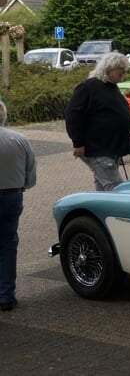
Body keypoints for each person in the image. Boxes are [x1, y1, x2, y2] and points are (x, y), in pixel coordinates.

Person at [65, 53, 130, 191]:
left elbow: (115, 114)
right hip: (97, 149)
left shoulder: (111, 86)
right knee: (116, 188)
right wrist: (78, 143)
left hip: (110, 149)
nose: (123, 72)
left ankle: (99, 212)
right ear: (108, 69)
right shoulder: (88, 87)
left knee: (103, 186)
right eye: (120, 69)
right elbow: (72, 115)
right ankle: (118, 212)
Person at [0, 101, 37, 312]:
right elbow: (30, 172)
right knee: (7, 246)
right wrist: (23, 185)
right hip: (11, 197)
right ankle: (6, 296)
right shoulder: (19, 139)